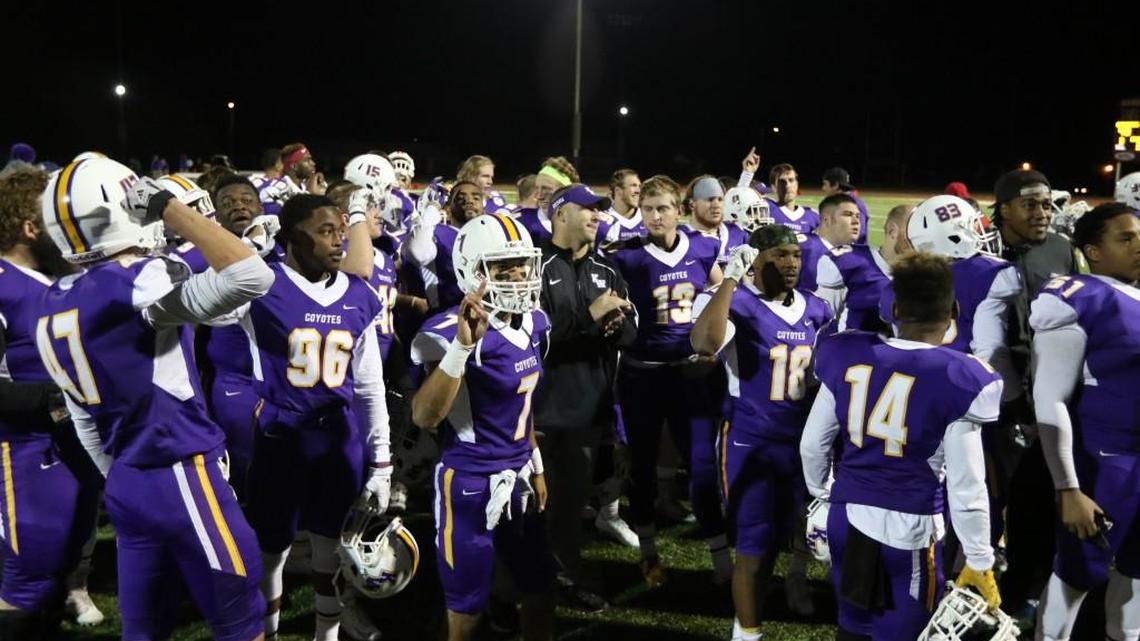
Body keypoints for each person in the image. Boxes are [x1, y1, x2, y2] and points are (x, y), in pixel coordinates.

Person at [35, 156, 272, 641]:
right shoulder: (140, 281)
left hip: (125, 482)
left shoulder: (52, 299)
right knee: (242, 625)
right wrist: (167, 206)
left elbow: (84, 421)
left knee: (144, 631)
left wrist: (128, 474)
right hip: (184, 473)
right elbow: (253, 276)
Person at [209, 193, 392, 641]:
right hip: (281, 435)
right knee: (272, 551)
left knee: (331, 552)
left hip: (339, 437)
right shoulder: (260, 286)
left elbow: (368, 385)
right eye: (325, 231)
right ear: (291, 237)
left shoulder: (359, 295)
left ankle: (325, 637)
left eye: (341, 231)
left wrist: (382, 459)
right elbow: (203, 308)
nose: (338, 242)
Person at [801, 252, 1003, 641]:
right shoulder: (960, 374)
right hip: (909, 528)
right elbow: (967, 485)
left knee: (852, 628)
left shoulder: (846, 353)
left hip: (846, 517)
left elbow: (813, 445)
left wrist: (824, 495)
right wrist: (979, 558)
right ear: (954, 310)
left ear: (893, 307)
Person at [410, 214, 555, 641]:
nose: (517, 275)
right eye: (501, 267)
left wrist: (537, 464)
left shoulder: (535, 323)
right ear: (471, 271)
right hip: (469, 482)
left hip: (520, 477)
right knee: (466, 610)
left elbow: (523, 409)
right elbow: (425, 416)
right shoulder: (446, 331)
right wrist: (462, 346)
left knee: (540, 587)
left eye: (521, 264)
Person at [690, 224, 835, 637]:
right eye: (779, 255)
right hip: (750, 441)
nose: (790, 263)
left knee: (792, 535)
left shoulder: (816, 308)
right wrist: (731, 280)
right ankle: (746, 633)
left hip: (801, 442)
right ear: (755, 260)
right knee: (753, 546)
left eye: (795, 255)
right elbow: (704, 343)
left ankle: (791, 584)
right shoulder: (738, 304)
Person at [0, 165, 103, 637]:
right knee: (27, 574)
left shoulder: (57, 279)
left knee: (64, 559)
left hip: (69, 444)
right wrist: (55, 398)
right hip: (22, 450)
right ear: (29, 226)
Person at [1030, 203, 1140, 641]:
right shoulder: (1082, 297)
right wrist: (1069, 489)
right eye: (1125, 238)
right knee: (1077, 573)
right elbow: (1049, 398)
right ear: (1093, 251)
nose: (1138, 247)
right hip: (1103, 461)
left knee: (1137, 570)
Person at [611, 175, 724, 587]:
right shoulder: (627, 257)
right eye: (648, 209)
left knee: (700, 464)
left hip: (687, 374)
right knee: (641, 465)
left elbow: (720, 298)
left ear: (679, 210)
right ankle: (648, 551)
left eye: (662, 208)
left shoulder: (704, 247)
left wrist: (713, 346)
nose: (655, 216)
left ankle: (719, 555)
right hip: (641, 374)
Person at [534, 184, 637, 612]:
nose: (598, 215)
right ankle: (523, 584)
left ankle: (560, 574)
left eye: (599, 210)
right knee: (530, 507)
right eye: (588, 209)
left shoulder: (607, 269)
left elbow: (630, 334)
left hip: (587, 409)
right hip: (537, 408)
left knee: (570, 505)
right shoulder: (532, 265)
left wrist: (617, 325)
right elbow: (529, 341)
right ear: (560, 214)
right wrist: (587, 318)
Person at [990, 168, 1078, 619]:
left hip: (1043, 392)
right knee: (983, 499)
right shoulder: (978, 248)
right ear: (1004, 208)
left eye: (1047, 204)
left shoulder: (1061, 250)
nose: (1043, 213)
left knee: (1035, 498)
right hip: (987, 396)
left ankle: (1023, 586)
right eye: (1031, 204)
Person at [815, 204, 909, 332]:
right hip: (852, 350)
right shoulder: (849, 262)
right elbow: (821, 322)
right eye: (912, 230)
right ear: (892, 231)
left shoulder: (924, 274)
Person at [401, 180, 484, 314]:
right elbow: (417, 253)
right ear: (449, 209)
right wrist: (433, 208)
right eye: (461, 198)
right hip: (446, 317)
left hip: (482, 315)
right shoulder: (440, 233)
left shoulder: (488, 236)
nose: (469, 201)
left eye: (476, 198)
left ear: (483, 209)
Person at [797, 193, 862, 293]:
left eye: (857, 216)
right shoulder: (803, 248)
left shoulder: (855, 254)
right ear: (827, 220)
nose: (856, 221)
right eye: (848, 214)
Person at [681, 175, 748, 266]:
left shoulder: (738, 233)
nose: (716, 205)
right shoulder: (679, 238)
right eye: (709, 199)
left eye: (720, 199)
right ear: (692, 204)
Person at [764, 163, 819, 235]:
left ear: (797, 184)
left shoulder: (813, 216)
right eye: (782, 182)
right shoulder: (767, 210)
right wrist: (747, 174)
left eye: (791, 180)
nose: (788, 185)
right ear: (774, 187)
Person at [821, 167, 869, 244]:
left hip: (854, 253)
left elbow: (859, 234)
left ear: (835, 185)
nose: (823, 188)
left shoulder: (854, 204)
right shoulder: (837, 202)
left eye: (825, 184)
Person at [604, 169, 645, 245]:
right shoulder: (603, 221)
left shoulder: (648, 217)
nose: (638, 191)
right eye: (633, 185)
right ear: (618, 191)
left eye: (639, 186)